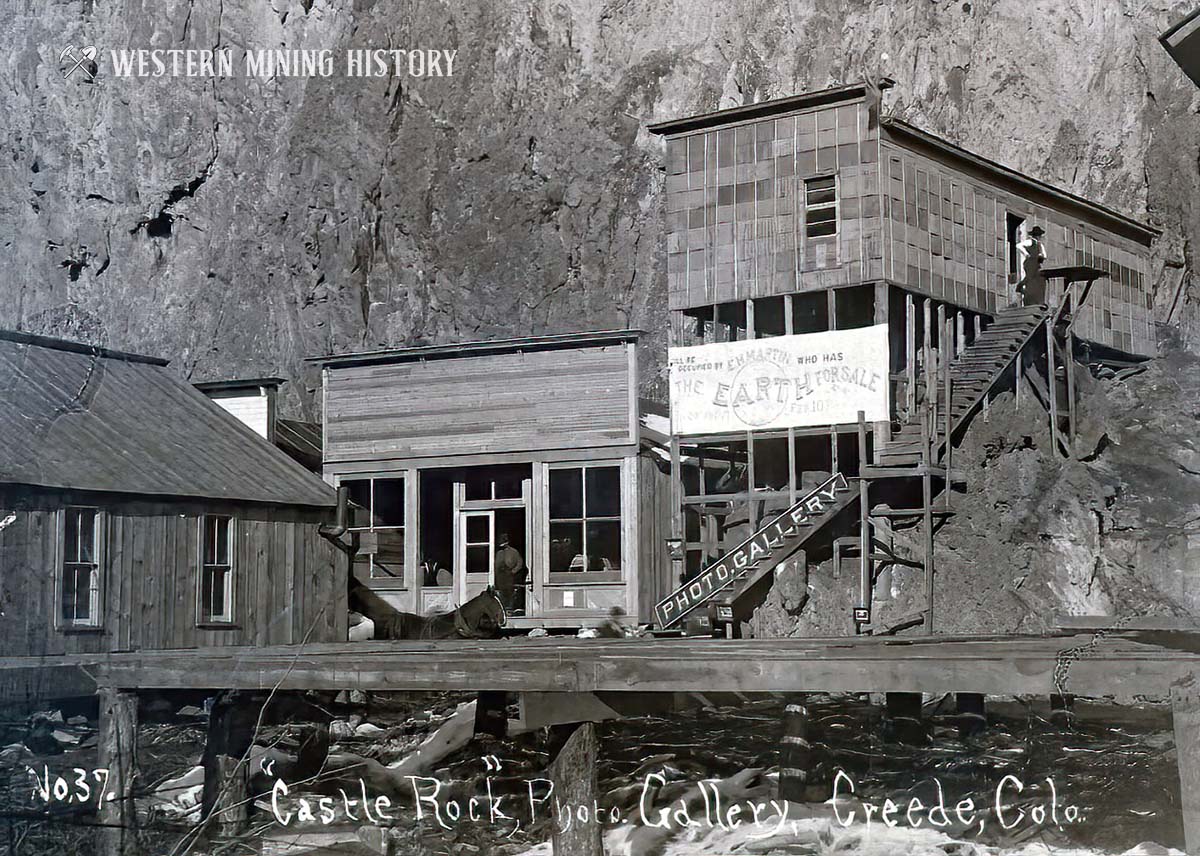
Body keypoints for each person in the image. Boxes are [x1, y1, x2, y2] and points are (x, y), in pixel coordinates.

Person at [494, 532, 526, 614]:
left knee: (510, 592)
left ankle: (510, 608)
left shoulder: (514, 552)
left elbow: (520, 563)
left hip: (510, 575)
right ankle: (503, 609)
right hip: (500, 575)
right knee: (501, 592)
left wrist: (513, 571)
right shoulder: (498, 553)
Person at [1017, 225, 1048, 307]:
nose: (1039, 237)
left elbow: (1045, 255)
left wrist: (1041, 256)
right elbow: (1019, 245)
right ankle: (1022, 288)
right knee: (1030, 278)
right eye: (1037, 235)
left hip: (1036, 264)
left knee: (1037, 280)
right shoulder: (1030, 242)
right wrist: (1026, 254)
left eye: (1039, 235)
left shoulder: (1040, 245)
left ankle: (1035, 299)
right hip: (1030, 263)